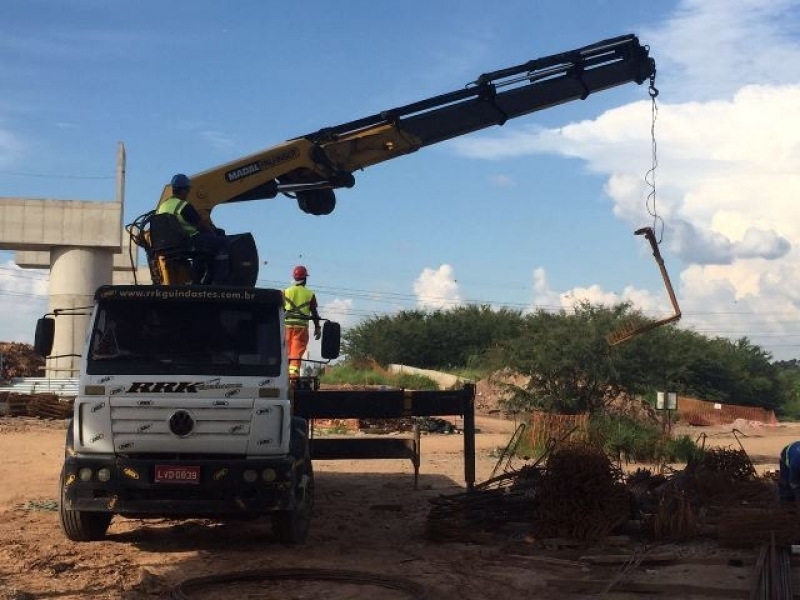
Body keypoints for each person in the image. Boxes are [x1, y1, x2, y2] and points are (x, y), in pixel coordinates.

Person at [156, 173, 229, 284]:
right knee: (223, 242)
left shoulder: (162, 207)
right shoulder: (183, 206)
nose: (188, 193)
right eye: (188, 190)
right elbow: (202, 226)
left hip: (169, 246)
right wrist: (212, 231)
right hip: (187, 241)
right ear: (183, 190)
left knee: (202, 249)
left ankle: (196, 281)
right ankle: (219, 280)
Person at [283, 265, 321, 379]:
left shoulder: (285, 292)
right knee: (296, 353)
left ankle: (283, 375)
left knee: (285, 352)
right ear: (305, 279)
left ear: (294, 278)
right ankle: (293, 377)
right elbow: (314, 313)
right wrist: (317, 327)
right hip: (301, 328)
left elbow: (280, 309)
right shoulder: (309, 294)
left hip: (285, 327)